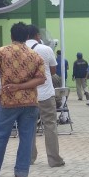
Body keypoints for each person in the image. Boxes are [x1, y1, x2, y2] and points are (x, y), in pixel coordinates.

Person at [0, 22, 45, 177]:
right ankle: (22, 172)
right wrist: (21, 86)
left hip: (8, 101)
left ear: (11, 36)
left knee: (0, 135)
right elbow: (41, 79)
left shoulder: (2, 52)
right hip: (30, 102)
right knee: (27, 137)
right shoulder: (35, 56)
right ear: (27, 37)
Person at [26, 25, 64, 168]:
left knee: (29, 127)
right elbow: (53, 70)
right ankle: (54, 159)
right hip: (46, 94)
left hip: (28, 95)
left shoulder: (21, 51)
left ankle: (29, 158)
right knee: (50, 126)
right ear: (37, 35)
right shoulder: (46, 49)